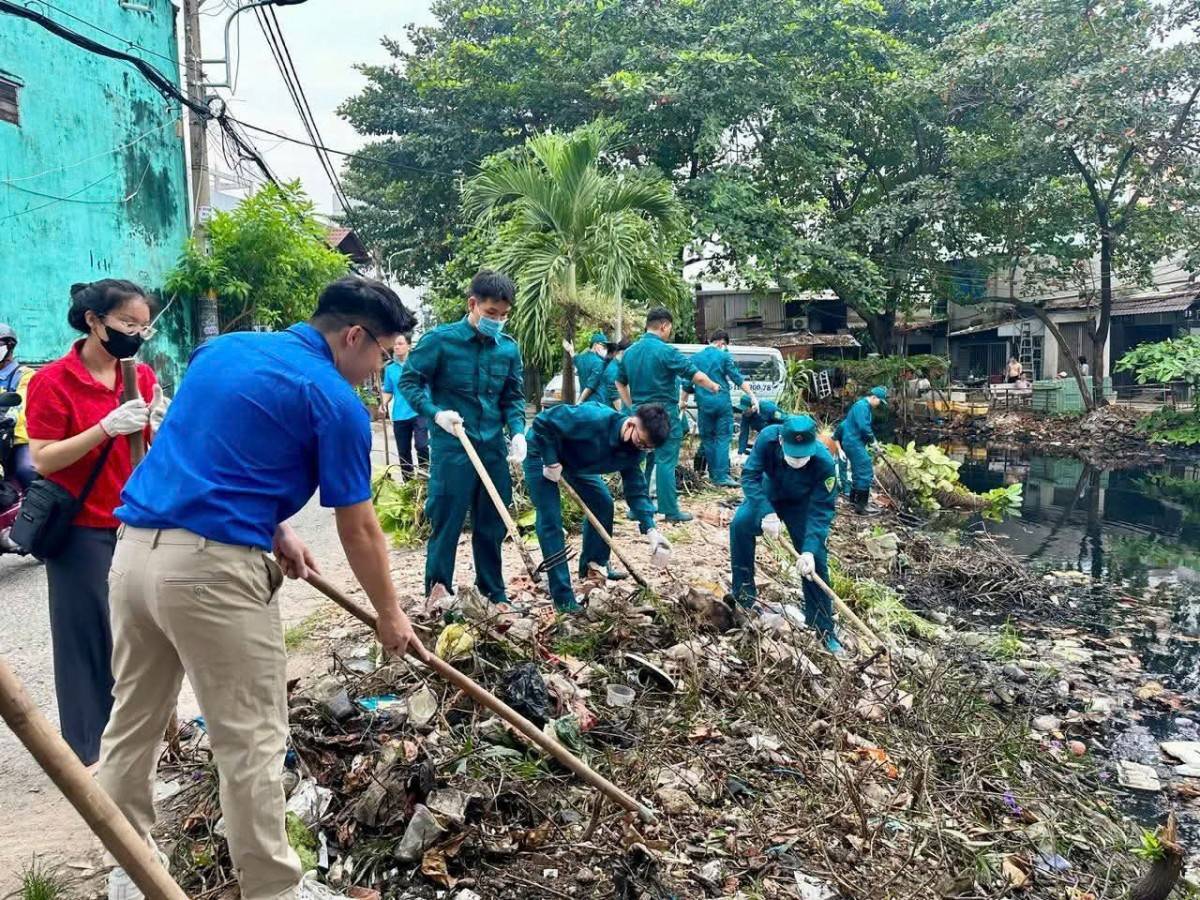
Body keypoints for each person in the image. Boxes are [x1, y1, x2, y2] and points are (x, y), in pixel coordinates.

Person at [98, 276, 422, 900]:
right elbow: (358, 527)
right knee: (249, 739)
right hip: (212, 576)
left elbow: (213, 453)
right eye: (383, 354)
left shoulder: (223, 350)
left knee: (132, 723)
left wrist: (275, 526)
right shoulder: (334, 400)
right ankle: (274, 890)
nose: (380, 370)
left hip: (134, 554)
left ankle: (128, 872)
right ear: (355, 336)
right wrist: (390, 613)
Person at [24, 280, 164, 766]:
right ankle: (90, 752)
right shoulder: (52, 381)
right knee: (86, 638)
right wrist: (103, 428)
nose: (136, 335)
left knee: (137, 633)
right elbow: (43, 459)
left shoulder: (139, 375)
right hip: (79, 527)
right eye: (127, 323)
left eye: (143, 327)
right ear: (93, 321)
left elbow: (147, 449)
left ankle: (140, 740)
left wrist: (158, 425)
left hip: (132, 520)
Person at [400, 270, 526, 604]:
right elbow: (409, 382)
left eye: (503, 315)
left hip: (492, 447)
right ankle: (438, 591)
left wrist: (517, 432)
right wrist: (435, 413)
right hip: (453, 447)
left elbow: (513, 397)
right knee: (447, 518)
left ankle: (492, 592)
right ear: (472, 304)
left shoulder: (508, 349)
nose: (497, 321)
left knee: (492, 523)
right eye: (491, 313)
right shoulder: (440, 341)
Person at [524, 402, 671, 611]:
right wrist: (550, 460)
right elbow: (542, 422)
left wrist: (650, 529)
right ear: (631, 423)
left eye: (648, 447)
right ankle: (563, 598)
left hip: (576, 463)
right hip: (542, 451)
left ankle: (594, 567)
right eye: (641, 442)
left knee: (603, 504)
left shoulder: (636, 450)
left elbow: (636, 489)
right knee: (551, 520)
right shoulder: (593, 418)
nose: (642, 449)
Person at [729, 414, 841, 653]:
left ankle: (823, 627)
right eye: (794, 454)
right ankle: (744, 597)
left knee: (815, 561)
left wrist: (809, 550)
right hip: (768, 495)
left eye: (803, 455)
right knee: (740, 525)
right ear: (781, 441)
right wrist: (765, 511)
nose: (798, 460)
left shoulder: (824, 464)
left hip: (801, 505)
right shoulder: (768, 438)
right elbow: (750, 476)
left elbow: (821, 510)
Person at [615, 307, 719, 523]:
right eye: (670, 328)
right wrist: (713, 386)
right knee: (665, 461)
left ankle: (638, 508)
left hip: (640, 414)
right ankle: (670, 510)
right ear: (664, 326)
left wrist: (632, 406)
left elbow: (619, 382)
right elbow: (696, 376)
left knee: (643, 460)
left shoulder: (630, 352)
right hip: (663, 414)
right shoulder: (666, 351)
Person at [684, 331, 759, 488]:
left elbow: (687, 384)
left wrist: (682, 402)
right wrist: (752, 396)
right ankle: (722, 476)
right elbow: (737, 378)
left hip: (704, 405)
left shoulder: (695, 358)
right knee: (723, 438)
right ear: (721, 343)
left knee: (708, 439)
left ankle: (713, 474)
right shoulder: (724, 356)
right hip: (721, 403)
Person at [380, 332, 429, 479]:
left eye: (400, 344)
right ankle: (409, 484)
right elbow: (388, 390)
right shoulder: (390, 369)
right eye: (395, 344)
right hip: (399, 415)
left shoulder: (419, 365)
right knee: (403, 452)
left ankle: (424, 478)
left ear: (409, 345)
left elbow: (430, 386)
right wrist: (383, 403)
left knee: (422, 445)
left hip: (419, 411)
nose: (396, 347)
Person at [835, 385, 887, 515]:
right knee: (865, 470)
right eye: (879, 401)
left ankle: (854, 500)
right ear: (874, 397)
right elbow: (864, 427)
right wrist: (873, 441)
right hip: (854, 443)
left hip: (853, 442)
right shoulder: (862, 407)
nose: (879, 404)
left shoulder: (863, 406)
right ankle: (862, 506)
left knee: (858, 471)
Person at [0, 323, 37, 488]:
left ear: (9, 347)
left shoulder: (26, 375)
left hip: (17, 439)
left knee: (27, 470)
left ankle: (34, 502)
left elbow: (20, 406)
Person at [571, 331, 609, 405]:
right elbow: (590, 386)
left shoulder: (580, 359)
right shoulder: (599, 362)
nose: (605, 348)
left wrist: (571, 350)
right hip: (597, 404)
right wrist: (579, 402)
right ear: (595, 345)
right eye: (603, 346)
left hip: (584, 404)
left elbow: (574, 357)